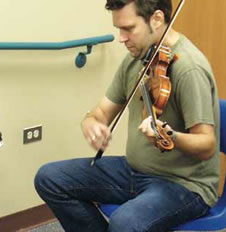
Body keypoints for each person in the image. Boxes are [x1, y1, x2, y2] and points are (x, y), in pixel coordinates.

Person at [34, 0, 219, 231]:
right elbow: (101, 112)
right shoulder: (137, 59)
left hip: (183, 184)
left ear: (157, 19)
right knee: (50, 178)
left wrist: (170, 137)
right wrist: (91, 123)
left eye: (128, 28)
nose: (121, 38)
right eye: (118, 29)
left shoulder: (189, 68)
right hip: (134, 172)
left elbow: (207, 144)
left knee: (125, 222)